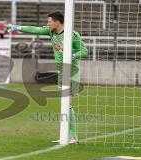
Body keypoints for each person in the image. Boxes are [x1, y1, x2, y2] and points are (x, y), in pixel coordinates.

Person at [7, 11, 88, 144]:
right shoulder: (51, 32)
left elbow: (84, 51)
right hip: (62, 71)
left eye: (49, 21)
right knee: (65, 103)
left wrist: (72, 55)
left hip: (72, 70)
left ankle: (72, 136)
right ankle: (68, 135)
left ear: (57, 22)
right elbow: (35, 29)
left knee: (66, 103)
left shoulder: (72, 35)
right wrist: (17, 27)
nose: (47, 24)